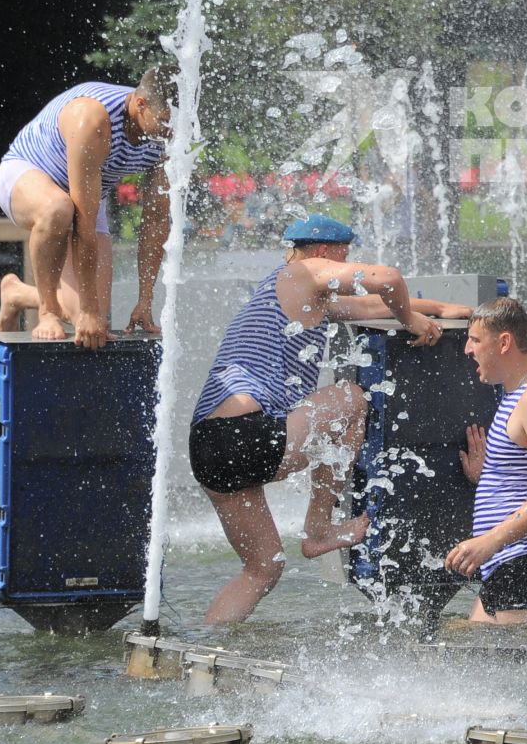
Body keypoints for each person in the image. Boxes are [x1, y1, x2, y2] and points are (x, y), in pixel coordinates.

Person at [188, 213, 473, 625]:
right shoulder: (306, 270)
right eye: (345, 254)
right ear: (325, 251)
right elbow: (387, 279)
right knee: (352, 399)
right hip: (247, 434)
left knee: (262, 568)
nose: (347, 262)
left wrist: (440, 308)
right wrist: (411, 321)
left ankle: (204, 646)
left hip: (209, 447)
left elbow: (371, 304)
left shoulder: (291, 292)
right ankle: (319, 528)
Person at [0, 67, 175, 348]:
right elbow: (84, 223)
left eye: (177, 124)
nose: (170, 132)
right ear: (140, 104)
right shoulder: (92, 118)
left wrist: (145, 300)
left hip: (86, 193)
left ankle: (16, 293)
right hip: (26, 174)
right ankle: (47, 309)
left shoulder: (167, 136)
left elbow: (156, 219)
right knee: (58, 208)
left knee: (95, 323)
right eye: (164, 122)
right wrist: (86, 310)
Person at [445, 297, 527, 625]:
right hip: (510, 564)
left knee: (519, 674)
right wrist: (489, 474)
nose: (467, 350)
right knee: (461, 644)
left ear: (504, 342)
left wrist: (489, 541)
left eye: (475, 340)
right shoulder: (516, 396)